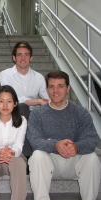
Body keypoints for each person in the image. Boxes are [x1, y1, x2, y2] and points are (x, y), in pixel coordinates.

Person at [27, 70, 101, 200]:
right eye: (51, 86)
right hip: (50, 161)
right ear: (47, 89)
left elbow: (91, 139)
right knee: (37, 156)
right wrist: (55, 144)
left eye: (60, 86)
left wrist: (76, 147)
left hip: (74, 159)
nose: (55, 90)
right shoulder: (37, 114)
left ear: (68, 88)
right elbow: (34, 141)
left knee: (92, 158)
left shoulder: (80, 113)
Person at [0, 85, 27, 200]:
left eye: (9, 101)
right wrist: (0, 152)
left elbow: (18, 145)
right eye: (1, 101)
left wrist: (11, 152)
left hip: (13, 157)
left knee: (19, 162)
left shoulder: (22, 120)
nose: (5, 105)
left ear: (15, 103)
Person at [0, 41, 49, 111]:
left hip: (33, 114)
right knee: (22, 107)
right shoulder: (5, 74)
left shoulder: (39, 77)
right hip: (12, 112)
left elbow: (47, 98)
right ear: (14, 58)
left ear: (31, 58)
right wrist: (37, 101)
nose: (23, 58)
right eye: (19, 55)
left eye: (26, 55)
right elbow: (10, 98)